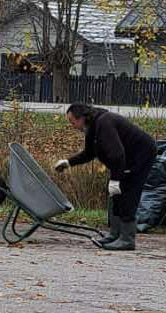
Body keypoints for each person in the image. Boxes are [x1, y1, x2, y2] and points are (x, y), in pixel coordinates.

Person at [53, 104, 157, 252]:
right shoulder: (92, 127)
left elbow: (117, 154)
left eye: (72, 121)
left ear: (81, 118)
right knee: (116, 193)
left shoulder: (104, 123)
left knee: (127, 191)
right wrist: (68, 162)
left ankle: (127, 239)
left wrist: (115, 179)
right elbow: (89, 153)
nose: (72, 126)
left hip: (140, 155)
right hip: (125, 158)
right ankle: (115, 234)